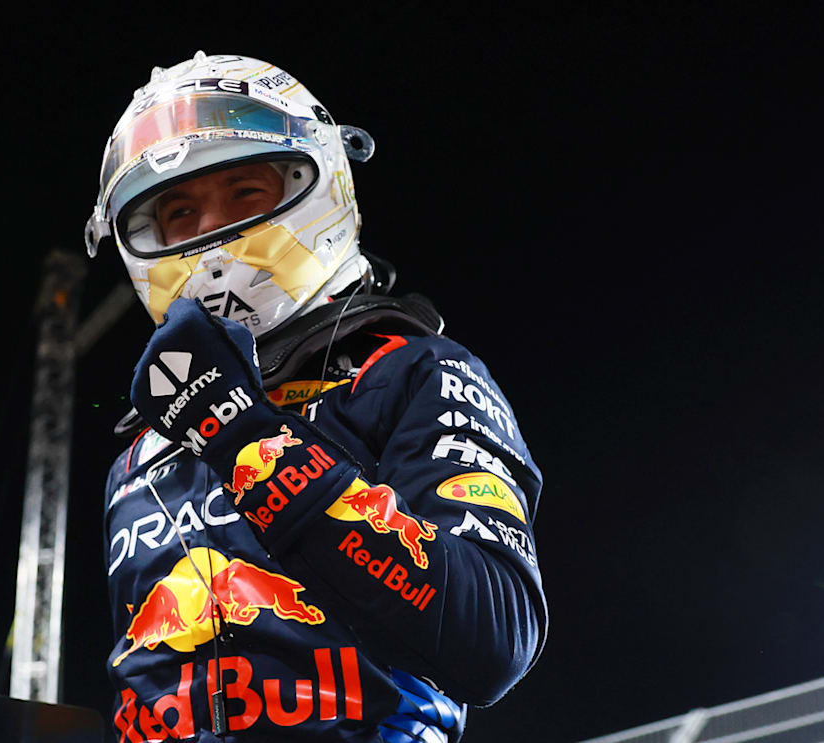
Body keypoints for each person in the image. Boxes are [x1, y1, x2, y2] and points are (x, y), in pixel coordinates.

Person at [85, 51, 547, 743]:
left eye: (247, 192)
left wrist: (242, 436)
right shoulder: (140, 453)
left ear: (325, 184)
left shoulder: (413, 372)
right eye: (179, 211)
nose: (213, 237)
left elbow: (493, 637)